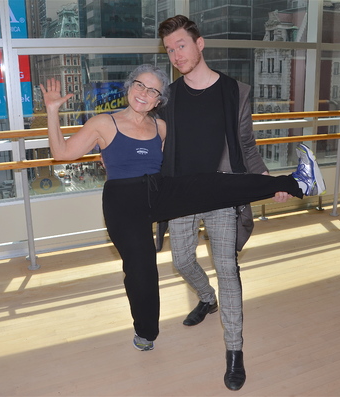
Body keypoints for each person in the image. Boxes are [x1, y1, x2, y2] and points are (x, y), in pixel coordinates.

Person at [40, 64, 324, 357]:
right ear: (129, 87)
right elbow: (61, 153)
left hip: (158, 190)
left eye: (152, 91)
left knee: (214, 184)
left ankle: (298, 182)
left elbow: (175, 163)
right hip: (123, 201)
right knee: (142, 270)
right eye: (140, 85)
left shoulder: (160, 127)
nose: (144, 93)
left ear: (158, 101)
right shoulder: (103, 123)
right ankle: (145, 331)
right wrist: (52, 111)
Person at [157, 15, 326, 391]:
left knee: (227, 268)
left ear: (200, 45)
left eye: (181, 45)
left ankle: (235, 352)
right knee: (182, 260)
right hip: (183, 193)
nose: (176, 55)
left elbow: (245, 145)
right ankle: (206, 298)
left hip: (222, 193)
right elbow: (160, 142)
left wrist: (264, 182)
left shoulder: (234, 91)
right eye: (169, 50)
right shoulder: (168, 96)